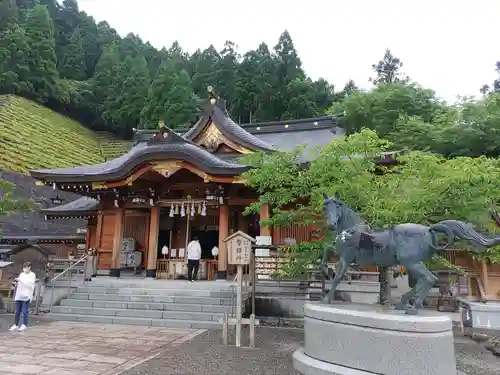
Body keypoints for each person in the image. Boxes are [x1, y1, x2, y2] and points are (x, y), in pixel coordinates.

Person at [10, 262, 36, 332]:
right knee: (17, 311)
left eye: (26, 267)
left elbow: (29, 285)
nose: (24, 269)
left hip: (26, 295)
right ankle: (16, 324)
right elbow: (19, 283)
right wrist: (16, 283)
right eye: (23, 268)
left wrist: (20, 280)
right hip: (19, 295)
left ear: (29, 267)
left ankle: (24, 324)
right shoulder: (21, 274)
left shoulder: (32, 275)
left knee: (25, 311)